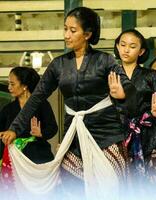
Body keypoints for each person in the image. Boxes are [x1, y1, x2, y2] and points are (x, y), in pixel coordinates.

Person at [0, 7, 136, 199]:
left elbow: (130, 89)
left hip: (107, 136)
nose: (66, 35)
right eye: (65, 29)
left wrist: (122, 93)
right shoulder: (58, 64)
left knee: (110, 190)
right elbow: (36, 97)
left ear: (87, 34)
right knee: (72, 190)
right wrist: (15, 127)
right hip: (73, 137)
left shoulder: (105, 60)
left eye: (73, 30)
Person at [114, 29, 156, 190]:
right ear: (117, 46)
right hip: (120, 138)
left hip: (152, 137)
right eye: (123, 45)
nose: (126, 49)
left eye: (132, 46)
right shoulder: (110, 75)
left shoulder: (151, 75)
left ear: (141, 51)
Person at [0, 66, 58, 198]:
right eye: (8, 83)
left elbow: (53, 128)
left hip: (38, 157)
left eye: (12, 84)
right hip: (14, 160)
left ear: (25, 86)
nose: (9, 87)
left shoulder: (42, 104)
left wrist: (40, 133)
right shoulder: (8, 109)